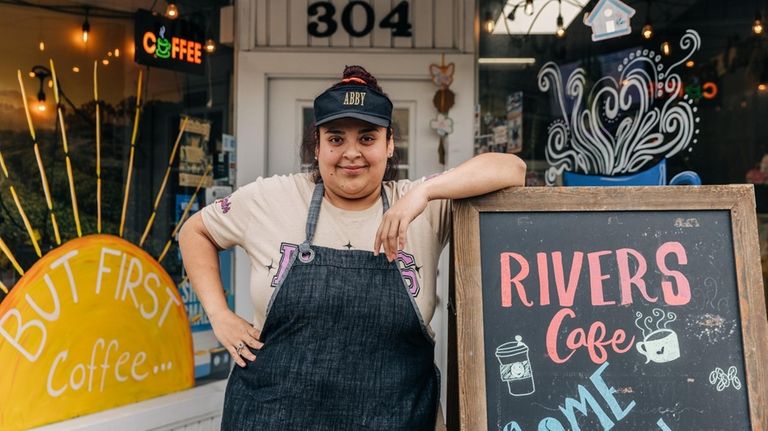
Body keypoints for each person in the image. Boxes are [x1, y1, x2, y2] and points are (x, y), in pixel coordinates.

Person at [179, 65, 526, 430]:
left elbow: (511, 168)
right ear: (317, 145)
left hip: (397, 419)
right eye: (335, 138)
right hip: (272, 415)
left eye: (367, 138)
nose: (351, 153)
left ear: (390, 144)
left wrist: (424, 192)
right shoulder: (271, 198)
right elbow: (195, 231)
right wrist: (219, 314)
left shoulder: (420, 205)